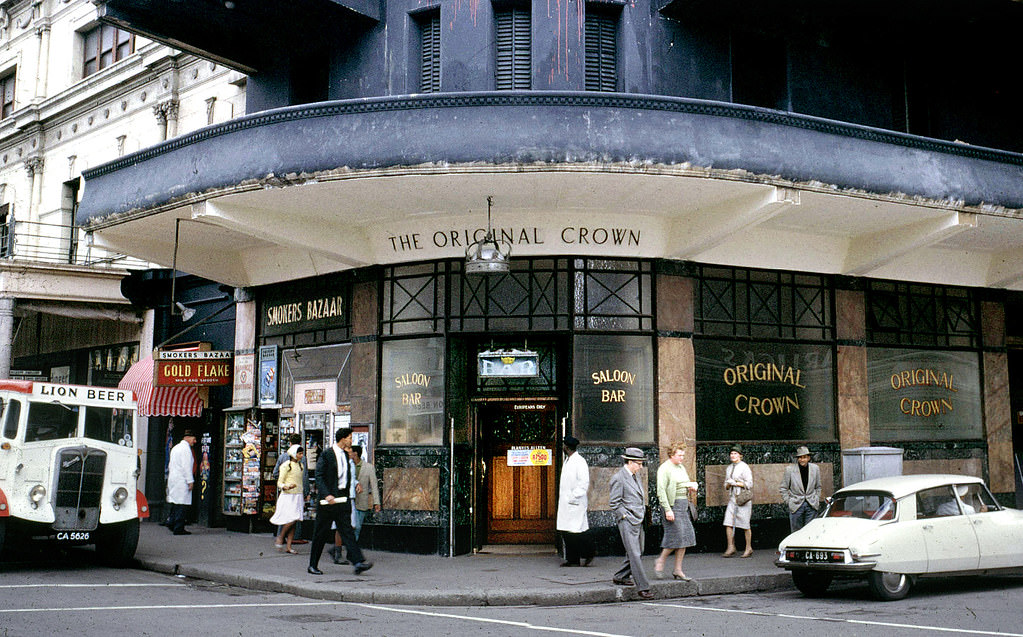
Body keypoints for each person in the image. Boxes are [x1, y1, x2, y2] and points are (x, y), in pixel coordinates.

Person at [308, 427, 373, 576]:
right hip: (328, 502)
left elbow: (345, 476)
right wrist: (326, 495)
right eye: (350, 437)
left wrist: (354, 484)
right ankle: (312, 565)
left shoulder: (345, 455)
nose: (351, 440)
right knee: (320, 534)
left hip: (342, 500)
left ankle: (358, 562)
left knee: (348, 531)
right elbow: (319, 476)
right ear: (343, 438)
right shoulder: (326, 455)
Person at [609, 447, 654, 600]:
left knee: (638, 550)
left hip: (638, 519)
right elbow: (614, 503)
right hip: (628, 520)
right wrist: (625, 516)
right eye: (639, 463)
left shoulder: (635, 476)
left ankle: (620, 576)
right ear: (629, 462)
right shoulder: (619, 478)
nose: (641, 467)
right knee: (634, 554)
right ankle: (643, 587)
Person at [654, 441, 698, 581]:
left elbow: (681, 483)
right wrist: (667, 509)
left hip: (682, 505)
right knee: (676, 536)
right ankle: (660, 560)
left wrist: (689, 486)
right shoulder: (664, 468)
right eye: (679, 455)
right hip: (672, 506)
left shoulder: (680, 467)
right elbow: (661, 490)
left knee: (685, 536)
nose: (682, 458)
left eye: (683, 455)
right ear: (672, 455)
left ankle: (678, 569)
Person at [556, 435, 594, 567]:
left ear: (566, 447)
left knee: (577, 531)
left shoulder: (579, 461)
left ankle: (589, 552)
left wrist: (573, 496)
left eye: (563, 446)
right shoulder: (568, 460)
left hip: (575, 502)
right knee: (567, 531)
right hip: (567, 503)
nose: (562, 447)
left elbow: (584, 483)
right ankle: (573, 559)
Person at [779, 445, 823, 532]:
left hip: (811, 503)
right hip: (796, 505)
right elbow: (783, 488)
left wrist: (816, 498)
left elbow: (818, 486)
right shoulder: (790, 470)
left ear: (809, 458)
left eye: (804, 457)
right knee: (796, 532)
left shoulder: (815, 468)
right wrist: (789, 501)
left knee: (810, 531)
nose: (802, 460)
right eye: (800, 457)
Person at [270, 445, 305, 554]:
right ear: (294, 454)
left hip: (298, 495)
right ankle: (281, 536)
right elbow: (280, 482)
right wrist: (285, 486)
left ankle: (289, 546)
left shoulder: (301, 465)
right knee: (291, 519)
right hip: (289, 496)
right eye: (299, 453)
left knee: (294, 520)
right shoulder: (286, 465)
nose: (301, 455)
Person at [722, 444, 753, 558]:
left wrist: (737, 483)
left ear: (740, 455)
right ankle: (731, 547)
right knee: (728, 522)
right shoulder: (729, 468)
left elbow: (749, 484)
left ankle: (748, 547)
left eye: (735, 453)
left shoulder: (744, 467)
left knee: (745, 524)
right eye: (731, 453)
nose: (733, 455)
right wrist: (729, 484)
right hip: (733, 499)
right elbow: (725, 485)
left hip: (743, 499)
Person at [166, 429, 197, 536]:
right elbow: (186, 467)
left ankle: (171, 522)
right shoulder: (186, 450)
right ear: (187, 437)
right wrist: (190, 481)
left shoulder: (176, 448)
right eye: (194, 438)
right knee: (182, 504)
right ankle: (178, 527)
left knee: (175, 502)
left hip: (174, 478)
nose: (195, 441)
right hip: (181, 479)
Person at [349, 444, 381, 540]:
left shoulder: (369, 468)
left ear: (355, 453)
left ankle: (352, 547)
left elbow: (374, 486)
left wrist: (376, 502)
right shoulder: (348, 466)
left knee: (357, 526)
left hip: (362, 501)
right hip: (350, 500)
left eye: (350, 452)